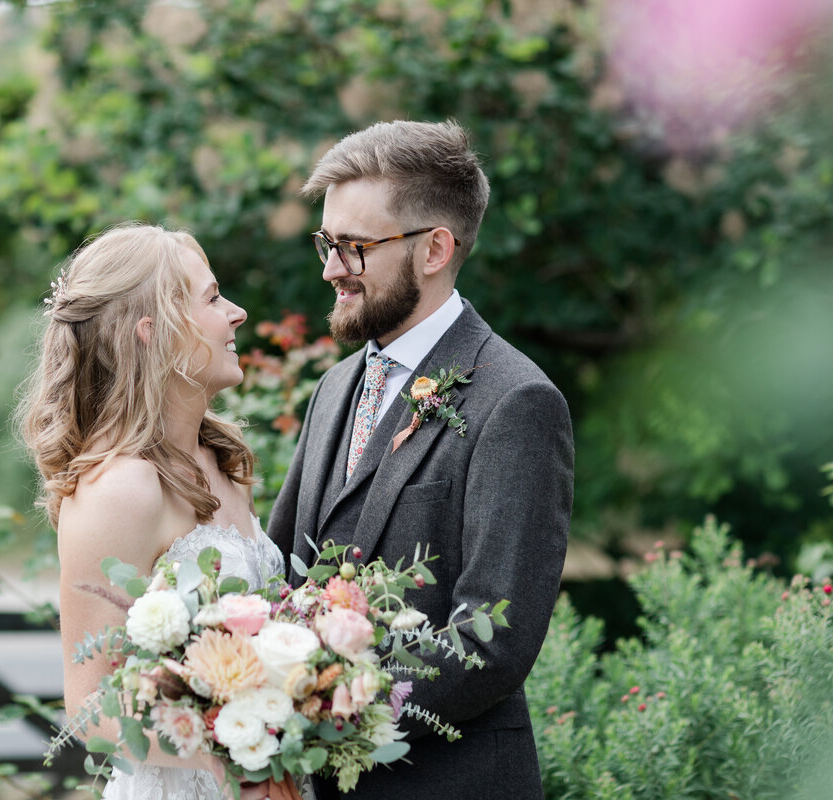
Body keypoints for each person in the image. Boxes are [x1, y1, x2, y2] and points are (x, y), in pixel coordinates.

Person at [267, 120, 574, 799]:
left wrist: (328, 700)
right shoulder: (335, 387)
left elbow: (492, 644)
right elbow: (281, 565)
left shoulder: (516, 401)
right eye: (326, 243)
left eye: (353, 248)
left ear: (434, 249)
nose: (329, 270)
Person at [18, 224, 299, 800]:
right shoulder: (119, 489)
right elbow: (93, 707)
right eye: (214, 298)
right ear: (156, 333)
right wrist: (240, 760)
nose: (238, 313)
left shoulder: (224, 462)